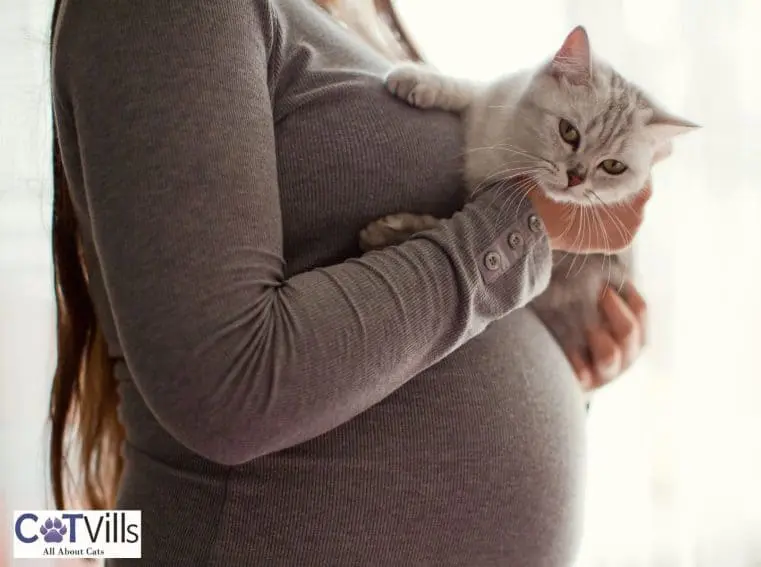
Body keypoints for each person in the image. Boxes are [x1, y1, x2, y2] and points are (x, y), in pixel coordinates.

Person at [47, 0, 656, 564]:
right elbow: (229, 386)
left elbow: (419, 326)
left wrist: (564, 345)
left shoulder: (358, 13)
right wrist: (521, 228)